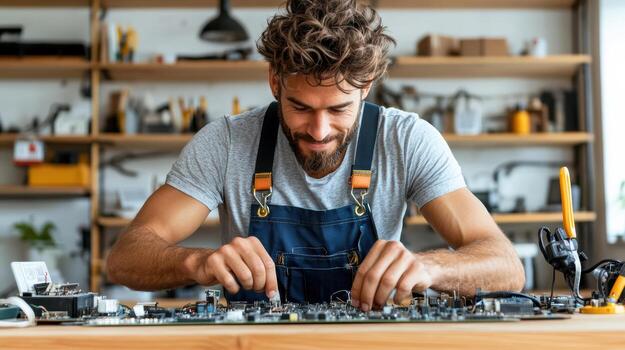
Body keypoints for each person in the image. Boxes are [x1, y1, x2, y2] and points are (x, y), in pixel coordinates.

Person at [106, 0, 525, 312]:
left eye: (339, 109)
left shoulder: (407, 140)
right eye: (301, 107)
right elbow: (125, 258)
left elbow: (505, 265)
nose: (319, 131)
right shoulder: (227, 143)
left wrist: (429, 269)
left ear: (366, 85)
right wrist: (197, 262)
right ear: (275, 82)